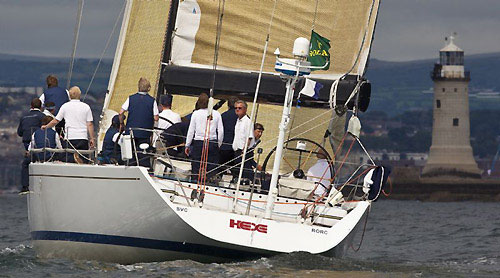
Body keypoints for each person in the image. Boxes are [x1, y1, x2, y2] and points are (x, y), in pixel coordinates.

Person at [42, 86, 95, 162]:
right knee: (84, 159)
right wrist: (92, 138)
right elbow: (89, 124)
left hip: (70, 137)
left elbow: (56, 121)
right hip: (83, 137)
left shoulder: (65, 106)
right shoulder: (86, 107)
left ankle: (73, 159)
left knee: (69, 159)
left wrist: (46, 126)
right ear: (80, 95)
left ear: (69, 95)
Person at [119, 77, 159, 167]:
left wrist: (122, 124)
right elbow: (156, 118)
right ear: (149, 88)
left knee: (130, 155)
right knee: (143, 156)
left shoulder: (131, 98)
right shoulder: (152, 101)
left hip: (131, 131)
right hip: (145, 133)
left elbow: (121, 112)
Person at [185, 93, 224, 181]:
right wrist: (219, 144)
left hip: (199, 142)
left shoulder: (195, 114)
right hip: (212, 142)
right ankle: (210, 181)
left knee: (196, 165)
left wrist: (187, 145)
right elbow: (221, 131)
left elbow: (191, 131)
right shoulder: (217, 114)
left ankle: (195, 180)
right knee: (211, 165)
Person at [17, 98, 45, 192]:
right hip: (39, 143)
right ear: (41, 107)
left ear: (31, 106)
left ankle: (25, 186)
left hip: (27, 143)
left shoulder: (24, 117)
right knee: (41, 161)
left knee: (26, 163)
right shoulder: (43, 116)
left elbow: (19, 133)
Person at [232, 100, 254, 180]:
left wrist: (244, 151)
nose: (237, 110)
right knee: (236, 173)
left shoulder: (247, 121)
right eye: (236, 108)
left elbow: (249, 137)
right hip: (237, 152)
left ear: (245, 109)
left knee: (245, 173)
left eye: (240, 108)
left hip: (244, 152)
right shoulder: (238, 121)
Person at [219, 96, 238, 170]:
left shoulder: (223, 116)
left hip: (224, 147)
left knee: (219, 170)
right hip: (236, 149)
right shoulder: (243, 117)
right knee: (235, 171)